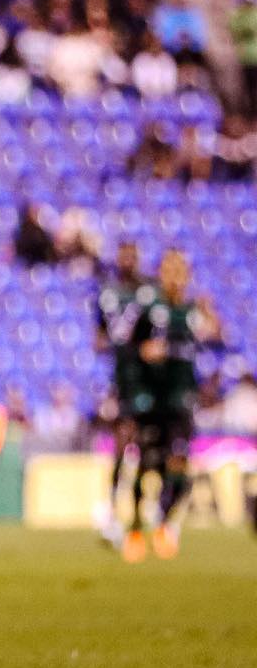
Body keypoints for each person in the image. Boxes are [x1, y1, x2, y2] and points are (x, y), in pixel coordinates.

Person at [120, 250, 200, 563]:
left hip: (180, 399)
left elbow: (212, 346)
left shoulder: (194, 311)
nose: (174, 275)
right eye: (169, 269)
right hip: (152, 399)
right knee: (146, 462)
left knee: (179, 462)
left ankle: (166, 526)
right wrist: (143, 353)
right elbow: (126, 347)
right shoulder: (149, 308)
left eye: (180, 269)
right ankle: (137, 527)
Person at [95, 241, 150, 548]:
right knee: (122, 449)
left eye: (132, 255)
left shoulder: (149, 295)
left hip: (150, 386)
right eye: (123, 255)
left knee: (147, 453)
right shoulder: (108, 295)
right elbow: (99, 336)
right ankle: (116, 515)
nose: (127, 260)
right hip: (124, 384)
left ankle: (140, 516)